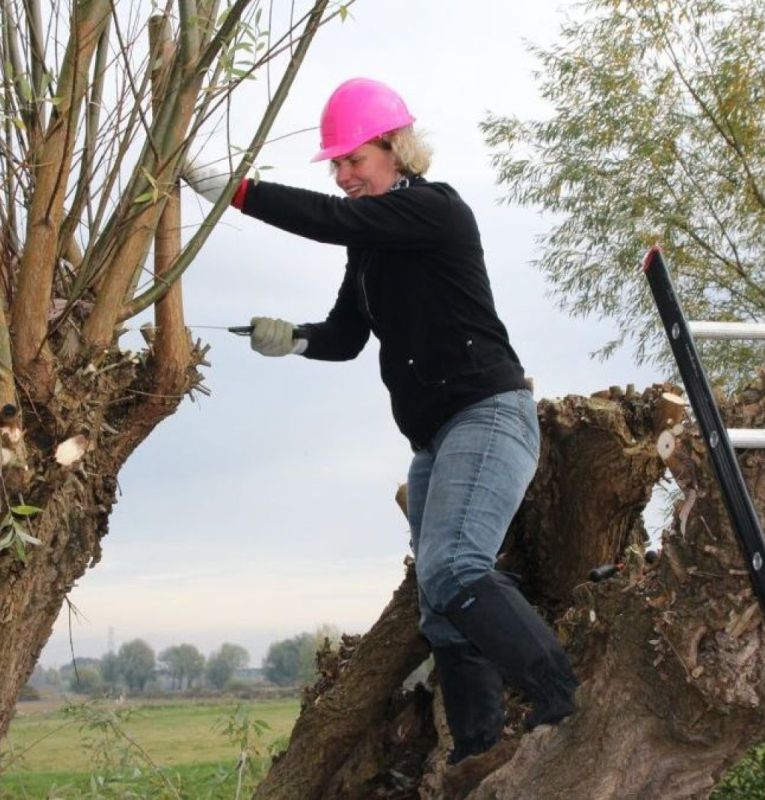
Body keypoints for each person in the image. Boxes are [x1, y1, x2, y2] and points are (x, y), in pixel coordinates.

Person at [184, 77, 578, 763]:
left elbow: (332, 221)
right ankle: (478, 749)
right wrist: (294, 338)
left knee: (456, 568)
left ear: (395, 149)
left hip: (486, 414)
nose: (342, 176)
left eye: (352, 160)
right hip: (434, 439)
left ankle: (563, 697)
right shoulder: (369, 246)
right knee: (439, 601)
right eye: (335, 165)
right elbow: (345, 335)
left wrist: (234, 189)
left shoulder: (434, 210)